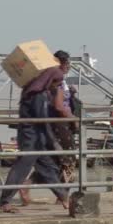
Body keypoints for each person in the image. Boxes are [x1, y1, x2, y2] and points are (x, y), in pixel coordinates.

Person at [0, 67, 69, 213]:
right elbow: (41, 120)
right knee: (20, 170)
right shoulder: (38, 95)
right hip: (31, 139)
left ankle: (64, 197)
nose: (56, 86)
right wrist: (54, 142)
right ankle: (4, 202)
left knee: (49, 169)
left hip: (37, 139)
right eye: (56, 83)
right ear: (50, 80)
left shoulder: (33, 91)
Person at [19, 51, 78, 205]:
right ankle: (62, 195)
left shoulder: (52, 81)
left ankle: (27, 185)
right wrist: (73, 118)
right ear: (62, 64)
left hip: (56, 125)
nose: (68, 67)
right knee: (69, 161)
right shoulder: (57, 82)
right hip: (61, 126)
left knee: (53, 160)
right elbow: (59, 106)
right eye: (67, 64)